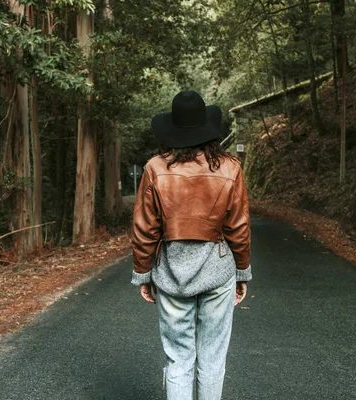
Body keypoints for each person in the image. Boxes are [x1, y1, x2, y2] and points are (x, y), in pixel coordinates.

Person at [131, 90, 252, 400]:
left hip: (171, 274)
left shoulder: (155, 168)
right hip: (218, 270)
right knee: (212, 358)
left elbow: (145, 229)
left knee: (178, 358)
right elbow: (238, 227)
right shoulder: (229, 167)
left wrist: (144, 274)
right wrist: (241, 273)